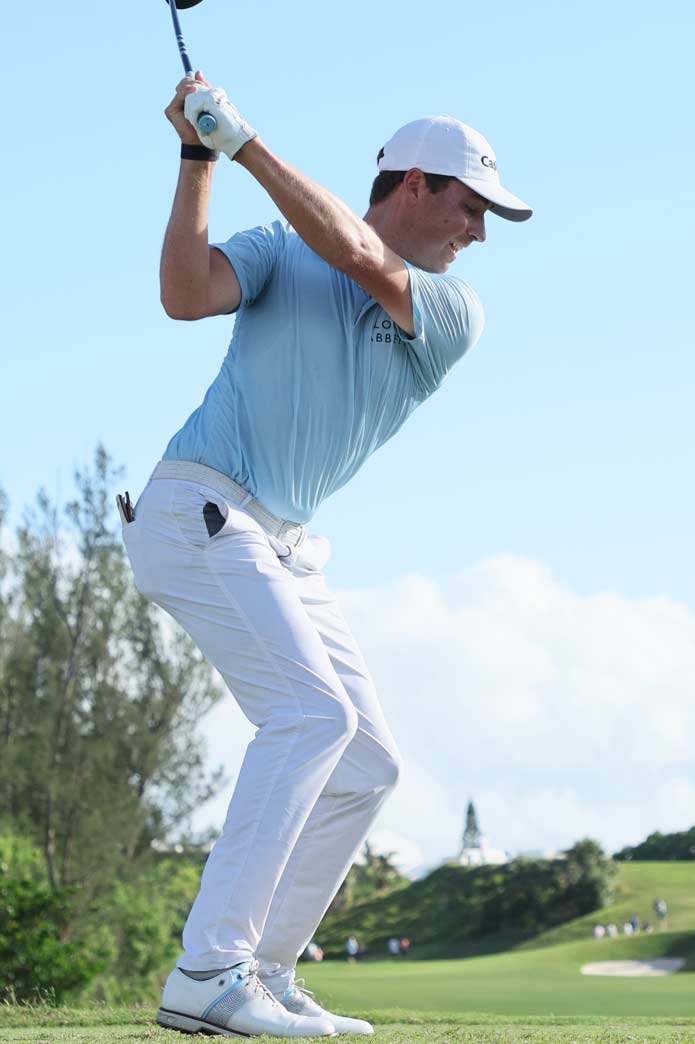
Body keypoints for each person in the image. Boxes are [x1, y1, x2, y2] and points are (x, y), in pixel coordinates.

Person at [137, 72, 533, 1041]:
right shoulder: (280, 250)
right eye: (471, 206)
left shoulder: (451, 312)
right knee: (312, 716)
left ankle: (263, 970)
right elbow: (184, 295)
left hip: (277, 542)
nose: (478, 232)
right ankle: (209, 970)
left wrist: (243, 142)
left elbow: (356, 252)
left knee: (366, 763)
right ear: (415, 185)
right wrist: (198, 157)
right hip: (199, 507)